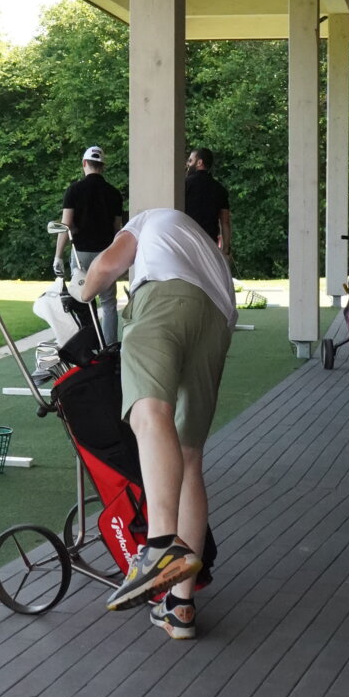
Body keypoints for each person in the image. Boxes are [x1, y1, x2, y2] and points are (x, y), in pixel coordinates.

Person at [70, 207, 236, 639]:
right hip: (219, 319)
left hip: (163, 300)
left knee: (149, 412)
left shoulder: (144, 221)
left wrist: (81, 292)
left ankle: (161, 544)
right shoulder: (199, 243)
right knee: (189, 457)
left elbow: (105, 267)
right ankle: (180, 608)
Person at [53, 146, 125, 344]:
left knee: (83, 300)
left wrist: (58, 255)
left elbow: (66, 225)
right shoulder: (113, 193)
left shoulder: (74, 190)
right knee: (109, 303)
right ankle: (110, 347)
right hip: (107, 255)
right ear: (102, 166)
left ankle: (87, 346)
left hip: (81, 255)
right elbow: (117, 228)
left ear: (84, 163)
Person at [184, 147, 232, 259]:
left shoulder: (184, 185)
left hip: (187, 241)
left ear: (199, 162)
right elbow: (225, 221)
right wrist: (226, 249)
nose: (188, 164)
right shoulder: (220, 189)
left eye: (190, 160)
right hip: (210, 244)